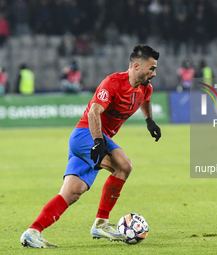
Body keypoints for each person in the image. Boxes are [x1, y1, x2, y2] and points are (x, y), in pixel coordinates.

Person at [20, 44, 162, 248]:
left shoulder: (145, 87)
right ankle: (101, 223)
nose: (154, 73)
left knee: (72, 193)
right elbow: (95, 111)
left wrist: (149, 121)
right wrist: (98, 141)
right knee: (124, 165)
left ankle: (32, 232)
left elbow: (145, 100)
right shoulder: (113, 83)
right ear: (137, 66)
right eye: (152, 68)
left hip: (94, 141)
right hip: (85, 134)